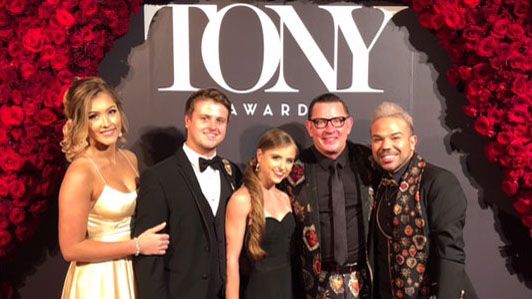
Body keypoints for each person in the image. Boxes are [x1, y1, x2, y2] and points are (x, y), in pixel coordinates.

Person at [58, 77, 170, 299]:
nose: (107, 123)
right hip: (98, 280)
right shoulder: (81, 173)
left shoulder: (129, 159)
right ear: (81, 123)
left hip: (131, 272)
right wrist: (136, 246)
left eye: (111, 112)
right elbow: (71, 249)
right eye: (93, 116)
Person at [132, 88, 241, 299]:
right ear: (188, 121)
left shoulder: (233, 173)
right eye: (205, 118)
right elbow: (149, 260)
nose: (213, 126)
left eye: (220, 120)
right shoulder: (159, 177)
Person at [369, 101, 477, 299]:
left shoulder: (439, 182)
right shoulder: (380, 186)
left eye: (395, 138)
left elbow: (450, 254)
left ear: (412, 141)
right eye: (378, 139)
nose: (386, 146)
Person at [286, 93, 377, 299]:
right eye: (320, 122)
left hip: (366, 281)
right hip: (313, 284)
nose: (330, 129)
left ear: (349, 124)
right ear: (309, 127)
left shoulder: (369, 161)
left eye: (337, 120)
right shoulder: (293, 169)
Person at [226, 128, 299, 299]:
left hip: (287, 288)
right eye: (276, 158)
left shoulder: (285, 197)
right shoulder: (242, 199)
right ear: (260, 155)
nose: (283, 167)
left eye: (289, 160)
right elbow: (231, 261)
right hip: (257, 290)